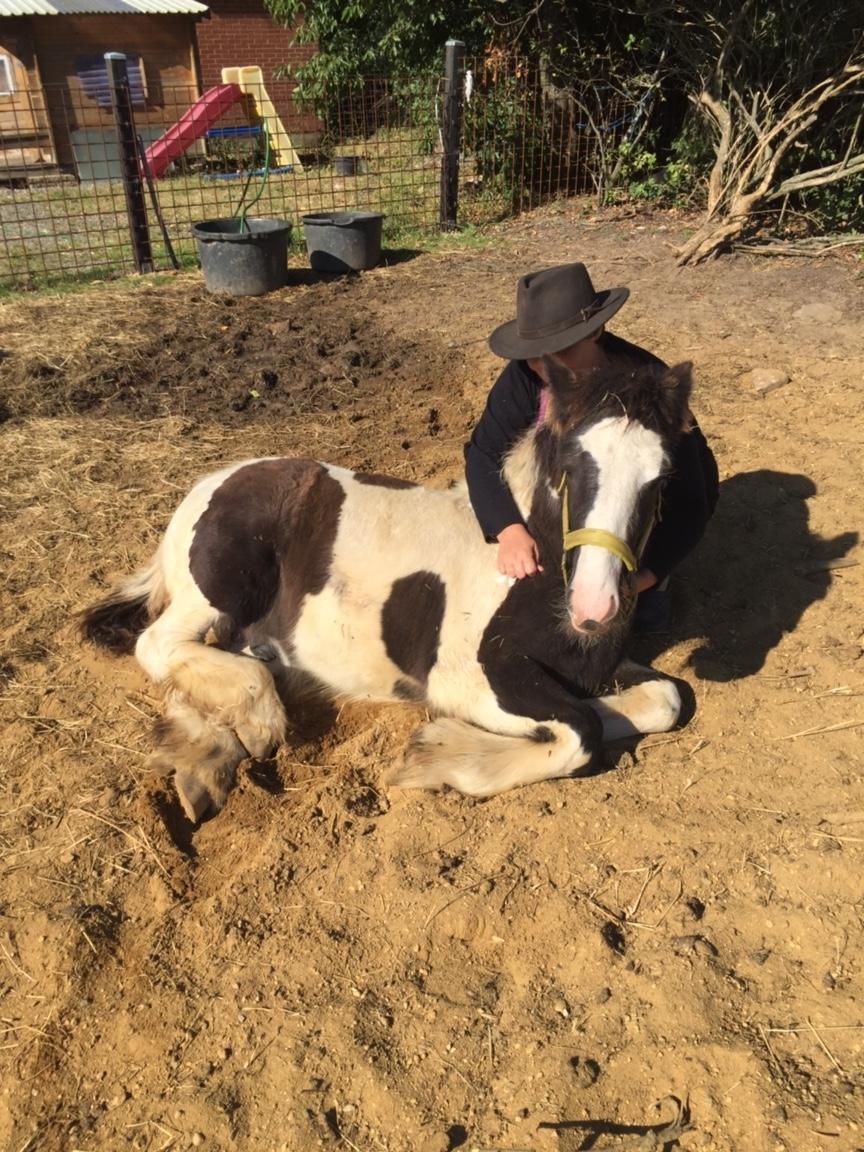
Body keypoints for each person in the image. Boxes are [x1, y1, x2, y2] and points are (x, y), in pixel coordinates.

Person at [464, 262, 719, 632]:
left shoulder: (652, 387)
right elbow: (483, 453)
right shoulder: (524, 375)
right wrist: (508, 530)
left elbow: (692, 500)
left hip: (640, 512)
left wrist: (647, 576)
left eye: (559, 349)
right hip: (575, 500)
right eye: (532, 351)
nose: (541, 364)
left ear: (597, 330)